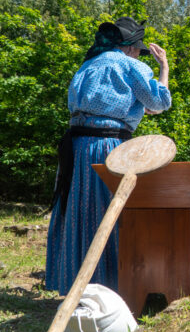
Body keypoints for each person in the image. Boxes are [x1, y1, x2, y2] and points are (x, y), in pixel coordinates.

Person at [46, 17, 171, 294]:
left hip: (75, 149)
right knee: (108, 214)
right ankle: (109, 285)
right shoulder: (131, 66)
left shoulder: (87, 66)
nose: (138, 55)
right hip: (107, 148)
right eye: (138, 50)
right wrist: (164, 67)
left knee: (78, 213)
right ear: (130, 48)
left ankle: (73, 284)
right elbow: (159, 103)